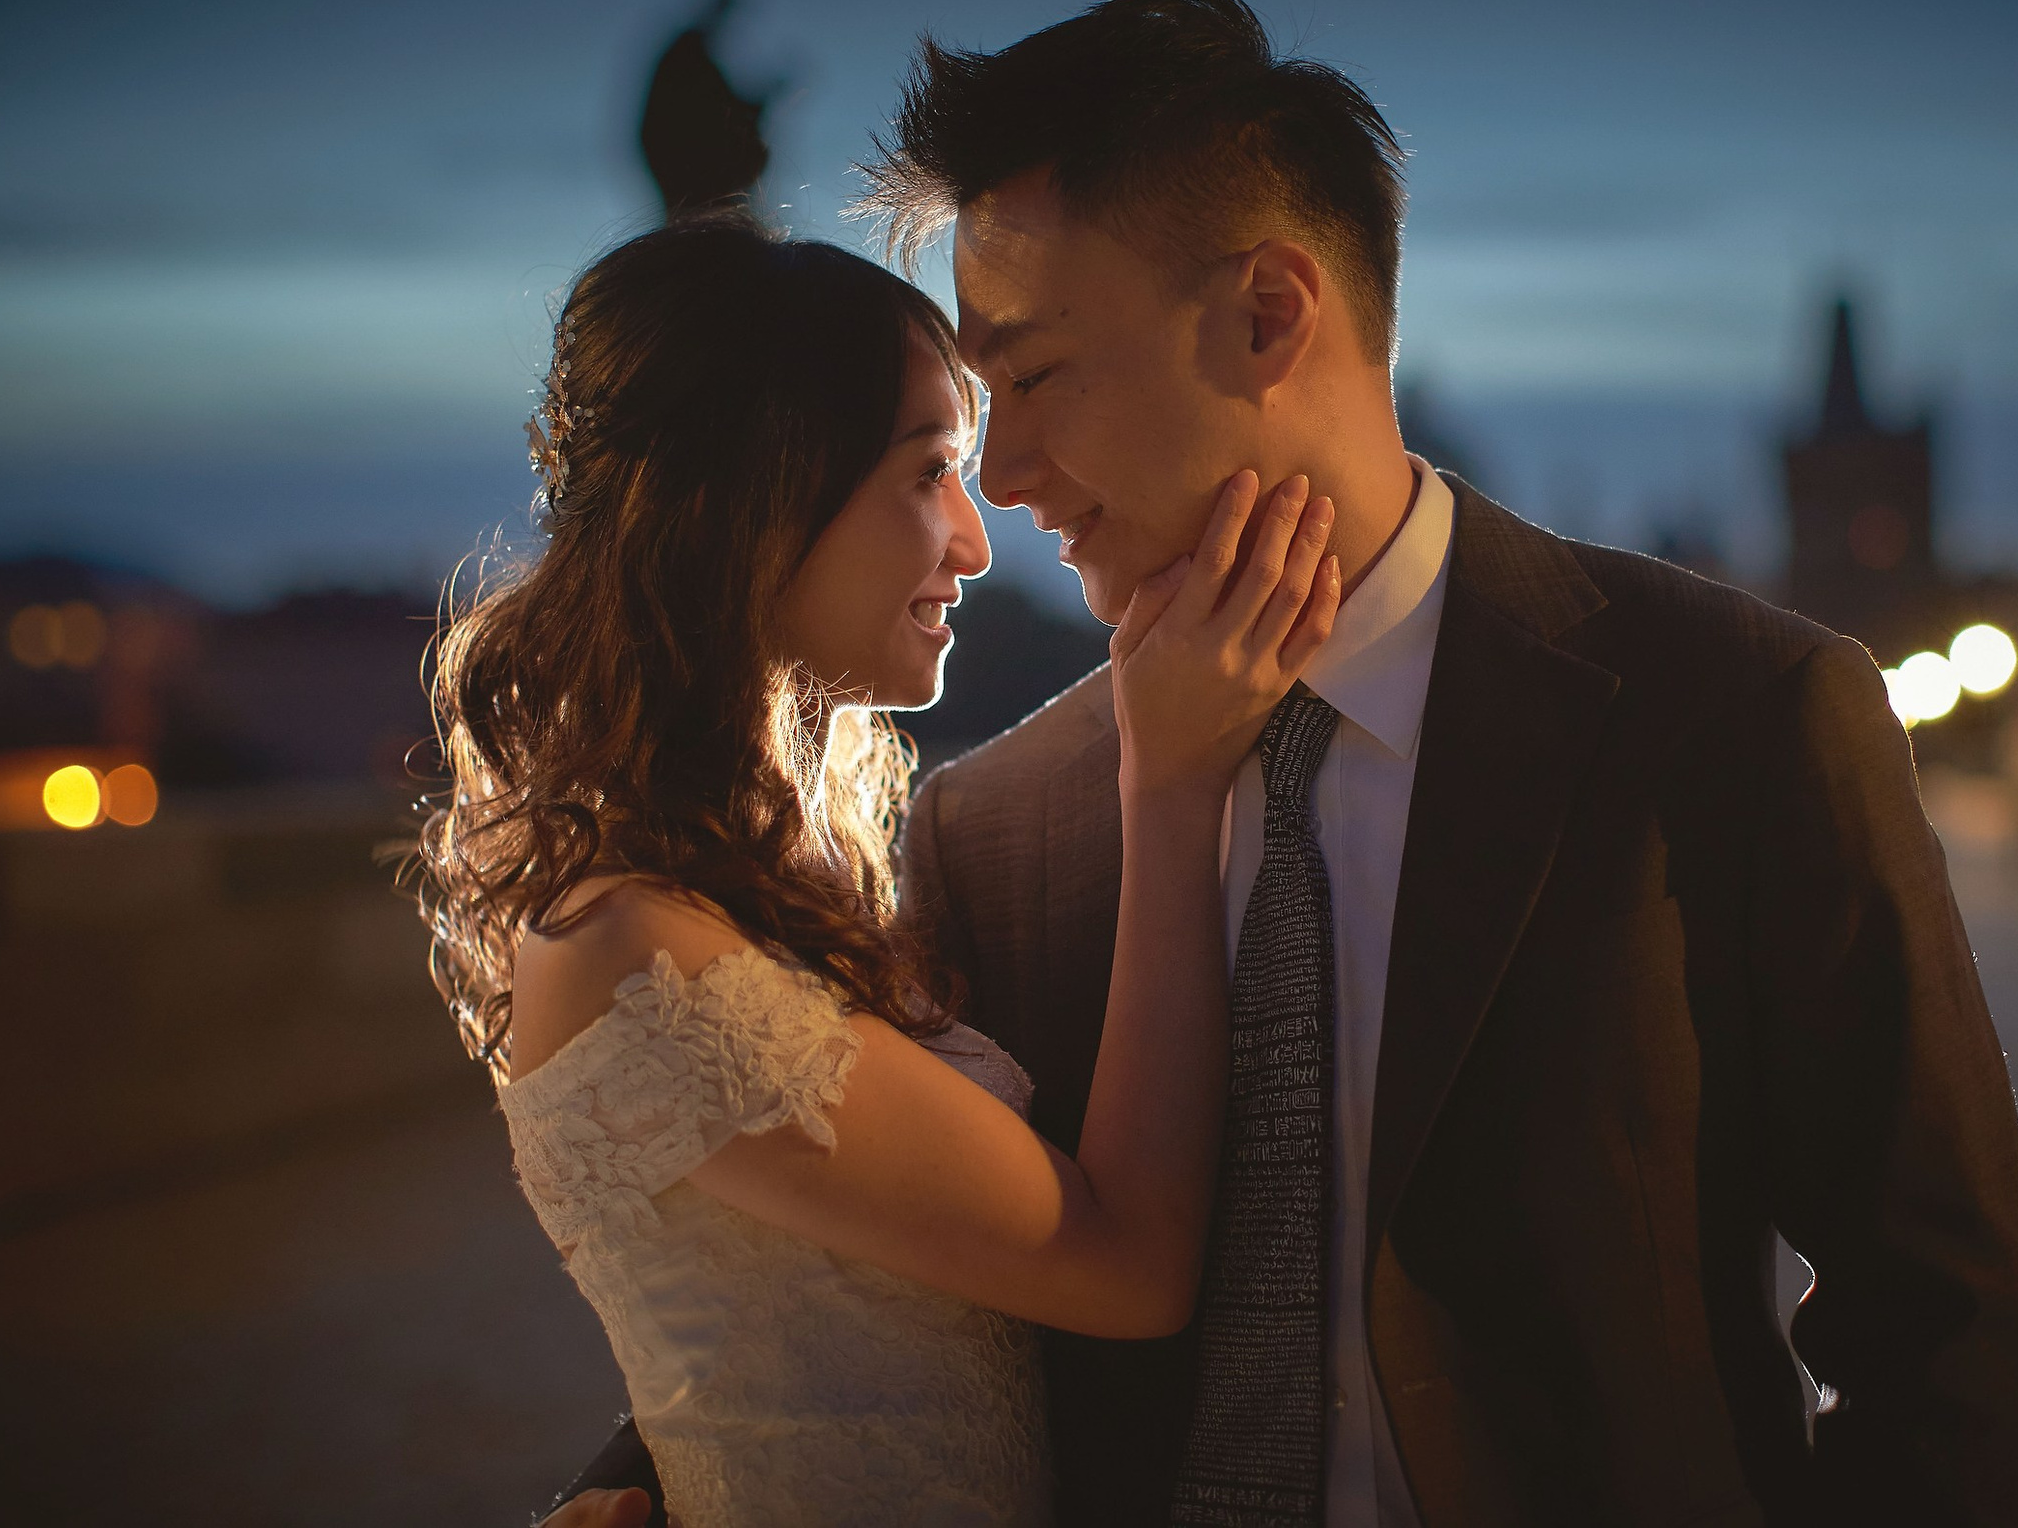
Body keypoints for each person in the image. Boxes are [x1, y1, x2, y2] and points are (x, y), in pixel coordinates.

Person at [558, 0, 2018, 1526]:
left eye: (1037, 376)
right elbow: (869, 1251)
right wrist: (652, 1482)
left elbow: (1942, 1334)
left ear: (1270, 314)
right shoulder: (994, 826)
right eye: (979, 404)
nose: (1002, 476)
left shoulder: (1738, 717)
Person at [419, 213, 1341, 1526]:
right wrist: (1172, 785)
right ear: (758, 501)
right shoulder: (635, 951)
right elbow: (1128, 1268)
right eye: (929, 472)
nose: (974, 539)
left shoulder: (768, 872)